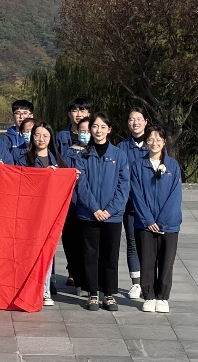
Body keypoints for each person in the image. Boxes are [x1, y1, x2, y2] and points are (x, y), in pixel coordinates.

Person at [72, 113, 129, 311]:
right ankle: (93, 292)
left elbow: (124, 186)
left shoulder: (119, 155)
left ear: (109, 130)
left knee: (110, 255)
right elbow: (81, 185)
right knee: (90, 254)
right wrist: (95, 208)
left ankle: (109, 293)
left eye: (103, 127)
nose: (98, 130)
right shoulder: (82, 155)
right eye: (95, 126)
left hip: (112, 216)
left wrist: (109, 210)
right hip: (89, 214)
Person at [134, 125, 182, 313]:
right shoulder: (138, 165)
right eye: (151, 139)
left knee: (166, 261)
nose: (154, 143)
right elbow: (136, 194)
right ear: (146, 142)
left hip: (168, 224)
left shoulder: (173, 166)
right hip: (144, 224)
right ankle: (149, 295)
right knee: (147, 261)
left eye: (158, 139)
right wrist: (148, 220)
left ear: (164, 142)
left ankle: (162, 296)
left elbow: (175, 195)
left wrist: (161, 221)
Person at [23, 121, 69, 306]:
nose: (40, 139)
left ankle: (45, 289)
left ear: (51, 139)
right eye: (37, 135)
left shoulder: (58, 161)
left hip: (50, 213)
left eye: (45, 136)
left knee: (48, 251)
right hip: (29, 213)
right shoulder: (23, 158)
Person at [60, 114, 92, 294]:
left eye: (89, 131)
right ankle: (77, 277)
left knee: (89, 245)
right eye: (82, 131)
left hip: (92, 206)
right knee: (72, 242)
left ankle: (90, 280)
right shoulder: (69, 153)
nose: (85, 134)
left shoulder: (97, 153)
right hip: (72, 205)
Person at [120, 107, 149, 299]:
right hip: (130, 205)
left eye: (139, 119)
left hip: (150, 205)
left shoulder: (154, 143)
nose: (135, 123)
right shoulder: (122, 147)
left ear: (146, 121)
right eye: (131, 119)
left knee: (149, 243)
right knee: (132, 242)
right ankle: (136, 283)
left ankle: (149, 281)